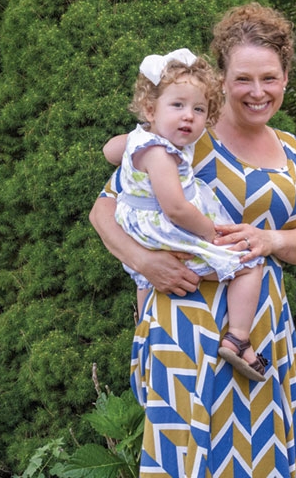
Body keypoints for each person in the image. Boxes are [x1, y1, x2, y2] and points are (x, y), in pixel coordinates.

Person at [89, 3, 296, 477]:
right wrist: (145, 261)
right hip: (185, 319)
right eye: (243, 78)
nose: (257, 92)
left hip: (259, 325)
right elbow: (104, 210)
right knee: (192, 451)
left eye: (270, 78)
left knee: (265, 450)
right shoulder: (183, 134)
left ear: (285, 79)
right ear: (220, 79)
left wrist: (272, 240)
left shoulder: (294, 149)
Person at [113, 48, 271, 381]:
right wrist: (210, 232)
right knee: (248, 263)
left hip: (143, 230)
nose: (188, 116)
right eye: (178, 106)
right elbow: (175, 207)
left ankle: (147, 336)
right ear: (149, 109)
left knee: (145, 282)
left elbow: (109, 151)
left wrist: (134, 140)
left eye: (198, 109)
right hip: (169, 229)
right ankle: (238, 338)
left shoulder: (141, 140)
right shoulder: (160, 154)